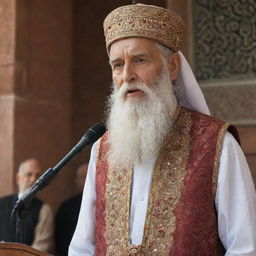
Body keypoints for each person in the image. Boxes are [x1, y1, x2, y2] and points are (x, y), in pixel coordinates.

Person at [69, 4, 256, 256]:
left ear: (172, 67)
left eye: (139, 60)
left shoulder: (216, 145)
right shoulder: (102, 150)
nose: (127, 75)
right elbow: (82, 248)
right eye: (117, 65)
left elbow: (245, 247)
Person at [0, 158, 54, 253]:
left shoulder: (44, 210)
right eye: (29, 174)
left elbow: (41, 246)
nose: (33, 179)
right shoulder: (1, 204)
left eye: (37, 176)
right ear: (18, 179)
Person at [55, 163, 88, 256]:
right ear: (76, 181)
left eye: (88, 176)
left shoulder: (101, 204)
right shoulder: (66, 207)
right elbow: (60, 238)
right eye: (83, 176)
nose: (86, 180)